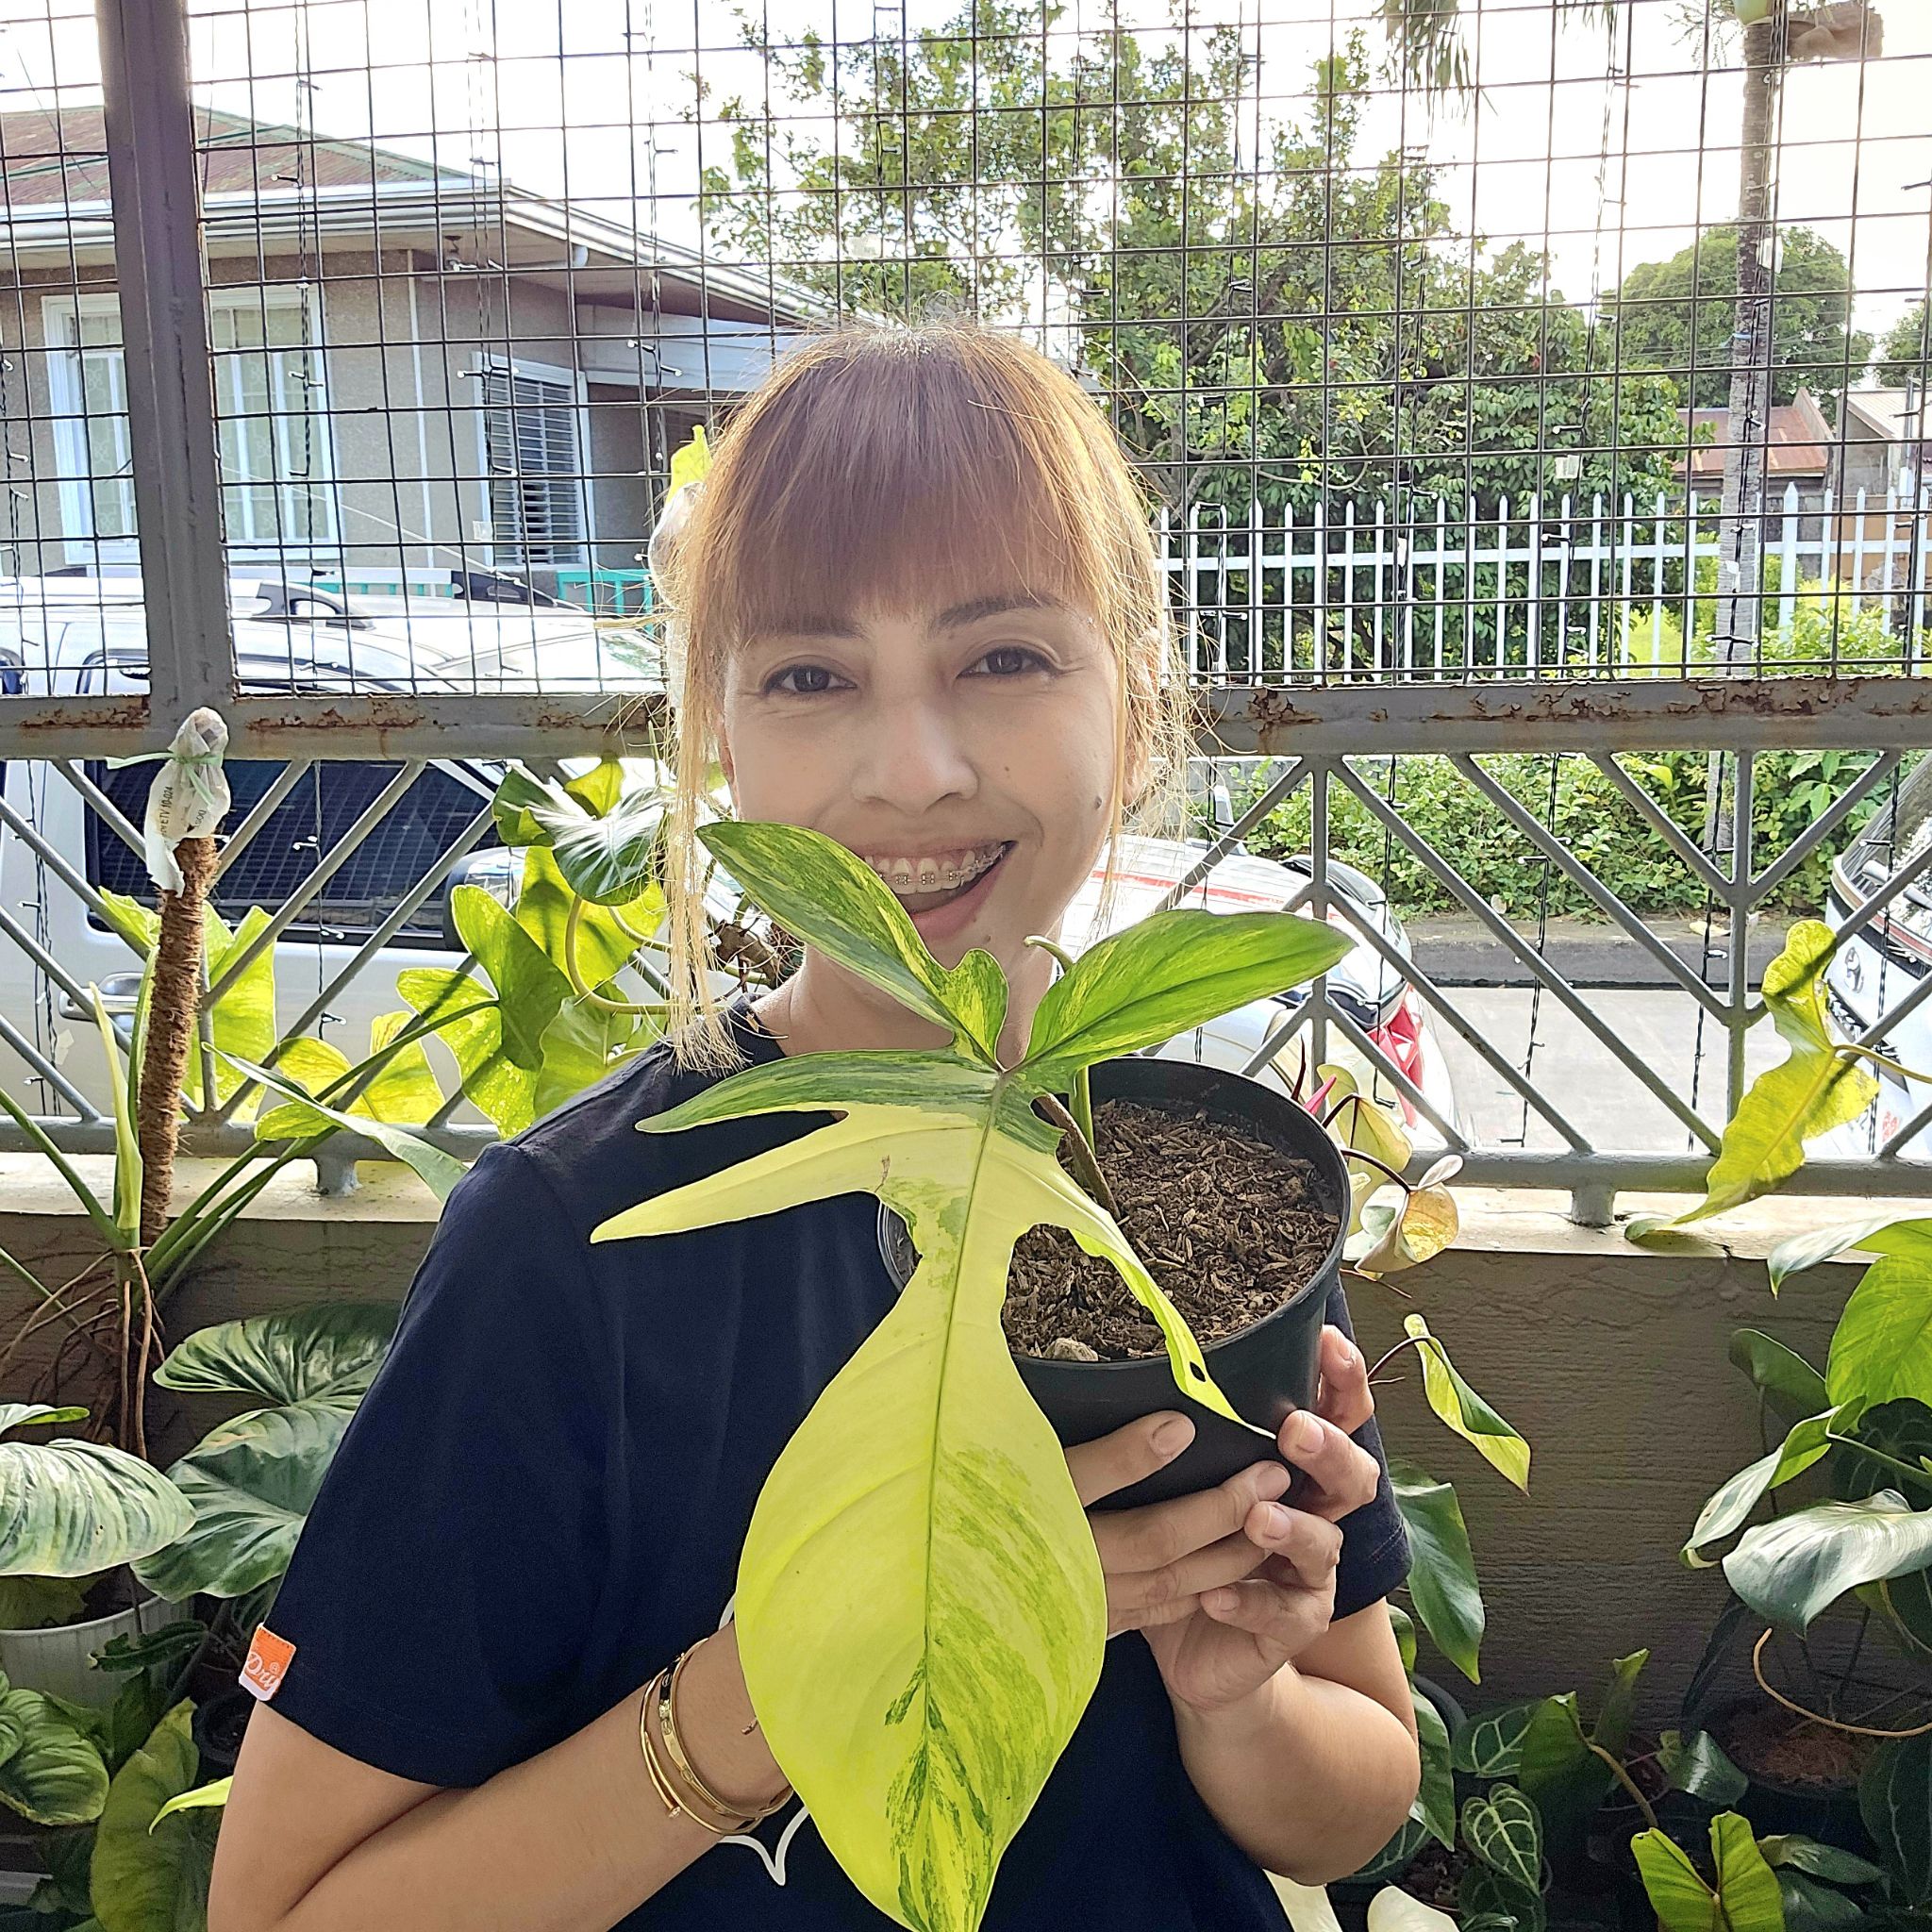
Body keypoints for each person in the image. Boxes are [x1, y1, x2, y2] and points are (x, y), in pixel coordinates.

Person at [208, 319, 1421, 1932]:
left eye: (1004, 658)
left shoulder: (1213, 1181)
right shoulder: (574, 1241)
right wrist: (782, 1685)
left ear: (1131, 703)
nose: (912, 773)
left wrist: (1238, 1698)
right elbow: (282, 1911)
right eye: (810, 676)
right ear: (718, 736)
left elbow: (1358, 1795)